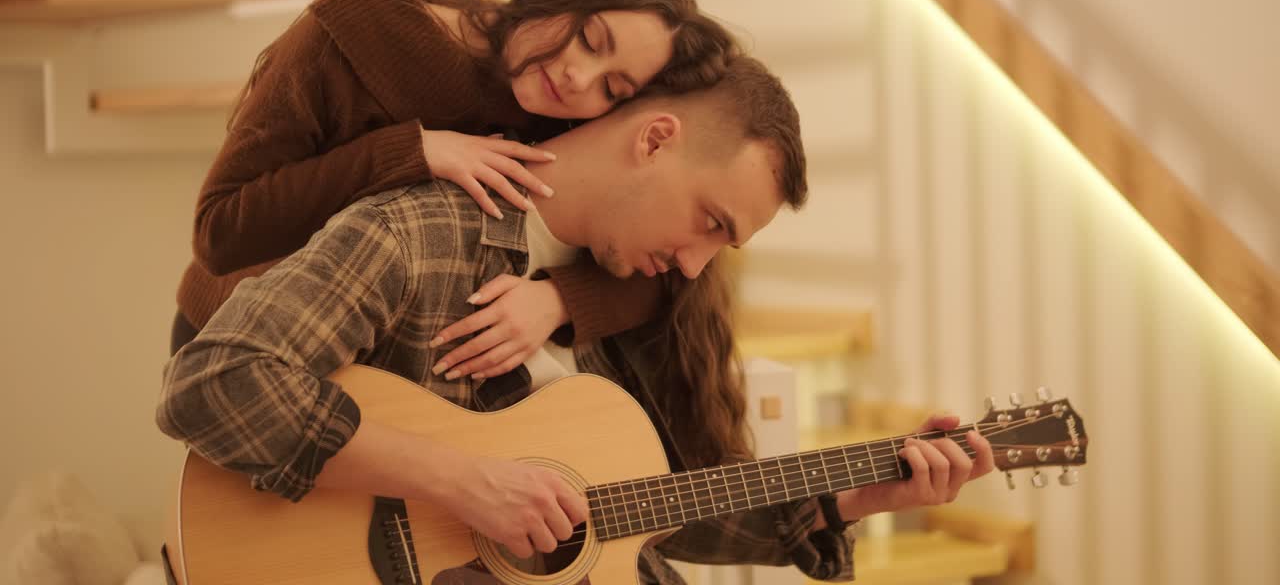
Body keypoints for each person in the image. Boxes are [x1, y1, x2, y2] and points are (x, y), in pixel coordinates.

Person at [156, 57, 994, 583]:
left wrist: (849, 498)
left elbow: (633, 513)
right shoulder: (425, 230)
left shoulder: (632, 297)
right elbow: (211, 382)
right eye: (711, 220)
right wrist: (466, 484)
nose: (699, 265)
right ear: (656, 138)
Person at [171, 0, 740, 388]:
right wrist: (414, 151)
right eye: (590, 38)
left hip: (368, 371)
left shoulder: (567, 117)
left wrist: (557, 300)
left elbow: (662, 275)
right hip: (238, 342)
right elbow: (219, 233)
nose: (579, 78)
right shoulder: (351, 31)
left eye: (614, 87)